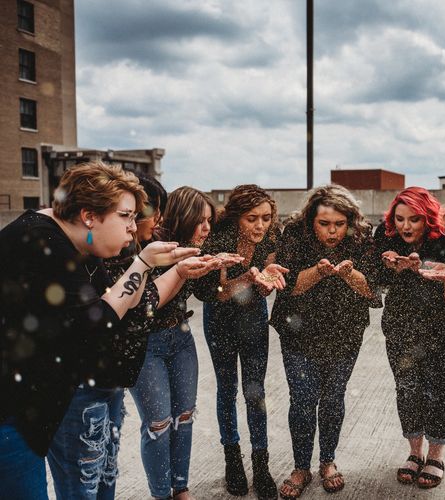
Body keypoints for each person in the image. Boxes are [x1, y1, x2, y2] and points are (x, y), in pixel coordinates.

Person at [0, 162, 195, 499]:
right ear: (89, 215)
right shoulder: (38, 241)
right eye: (126, 216)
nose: (133, 229)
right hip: (10, 414)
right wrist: (143, 263)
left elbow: (126, 307)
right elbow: (97, 322)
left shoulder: (80, 247)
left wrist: (172, 271)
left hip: (34, 406)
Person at [129, 186, 240, 500]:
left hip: (180, 338)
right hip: (146, 344)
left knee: (184, 417)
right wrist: (185, 270)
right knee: (159, 424)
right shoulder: (150, 245)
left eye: (209, 221)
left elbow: (209, 294)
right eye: (200, 221)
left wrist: (219, 271)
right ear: (183, 217)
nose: (207, 228)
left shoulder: (194, 247)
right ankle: (161, 493)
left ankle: (181, 488)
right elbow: (145, 304)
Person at [270, 185, 378, 499]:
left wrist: (348, 275)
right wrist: (319, 271)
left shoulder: (361, 238)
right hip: (298, 332)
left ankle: (327, 461)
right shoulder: (294, 234)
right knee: (303, 400)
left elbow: (371, 290)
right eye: (324, 224)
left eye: (339, 225)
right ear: (311, 220)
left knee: (333, 399)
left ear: (350, 222)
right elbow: (289, 287)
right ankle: (301, 467)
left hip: (344, 333)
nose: (332, 232)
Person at [194, 185, 287, 499]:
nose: (260, 225)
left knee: (255, 390)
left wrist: (268, 280)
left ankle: (261, 464)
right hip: (219, 317)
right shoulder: (218, 240)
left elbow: (263, 289)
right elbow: (214, 294)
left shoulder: (270, 240)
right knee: (227, 387)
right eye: (252, 219)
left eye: (265, 218)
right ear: (236, 218)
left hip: (253, 315)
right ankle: (232, 458)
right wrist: (247, 278)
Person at [374, 187, 445, 490]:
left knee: (437, 392)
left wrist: (430, 269)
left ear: (427, 217)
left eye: (414, 219)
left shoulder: (444, 241)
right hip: (401, 329)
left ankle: (436, 456)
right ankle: (414, 453)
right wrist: (390, 266)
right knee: (407, 390)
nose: (406, 226)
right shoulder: (385, 237)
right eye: (400, 219)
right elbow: (377, 280)